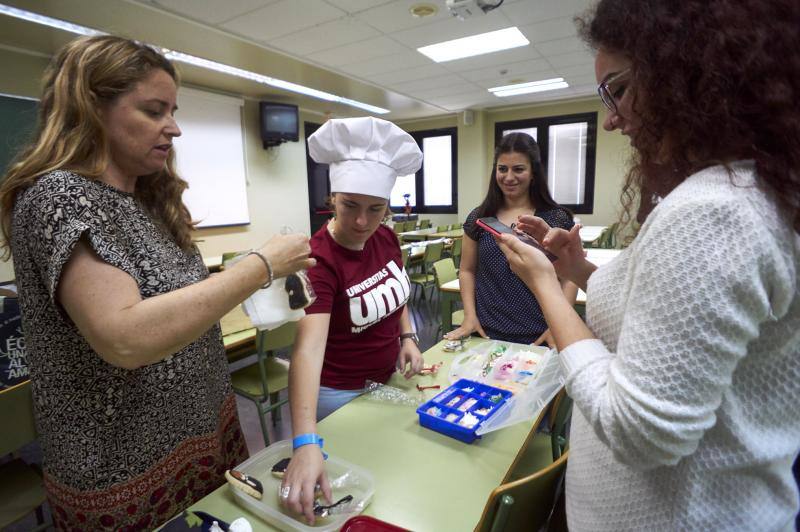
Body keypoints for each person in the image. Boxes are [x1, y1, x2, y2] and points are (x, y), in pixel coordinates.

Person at [493, 1, 800, 530]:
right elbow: (661, 309)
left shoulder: (715, 212)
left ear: (693, 73)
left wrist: (544, 285)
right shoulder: (743, 191)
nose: (612, 118)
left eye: (620, 88)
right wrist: (574, 267)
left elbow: (640, 431)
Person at [0, 35, 314, 530]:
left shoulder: (149, 201)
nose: (174, 128)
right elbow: (126, 338)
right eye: (154, 110)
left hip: (200, 437)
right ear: (91, 108)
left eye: (172, 110)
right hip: (121, 467)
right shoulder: (58, 196)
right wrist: (260, 265)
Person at [280, 117, 424, 523]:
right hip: (338, 395)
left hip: (386, 382)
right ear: (332, 199)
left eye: (375, 209)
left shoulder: (386, 237)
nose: (362, 222)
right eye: (350, 207)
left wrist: (408, 337)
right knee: (348, 498)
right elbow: (307, 350)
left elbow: (396, 295)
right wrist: (305, 440)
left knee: (392, 477)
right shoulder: (318, 259)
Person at [445, 132, 577, 346]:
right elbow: (467, 270)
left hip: (542, 333)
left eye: (518, 169)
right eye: (502, 169)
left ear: (533, 172)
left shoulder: (555, 218)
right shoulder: (479, 218)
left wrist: (558, 326)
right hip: (487, 332)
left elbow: (569, 277)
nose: (508, 177)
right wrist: (469, 316)